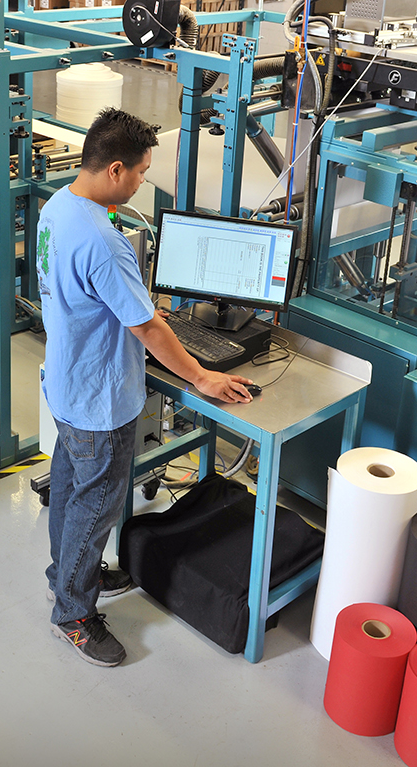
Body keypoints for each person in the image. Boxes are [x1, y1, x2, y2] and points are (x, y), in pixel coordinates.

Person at [35, 107, 253, 667]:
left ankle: (67, 575)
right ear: (114, 170)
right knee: (97, 507)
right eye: (139, 172)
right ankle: (73, 614)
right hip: (101, 402)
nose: (140, 183)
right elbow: (149, 327)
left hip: (66, 383)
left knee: (69, 489)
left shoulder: (57, 207)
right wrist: (202, 375)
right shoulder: (104, 241)